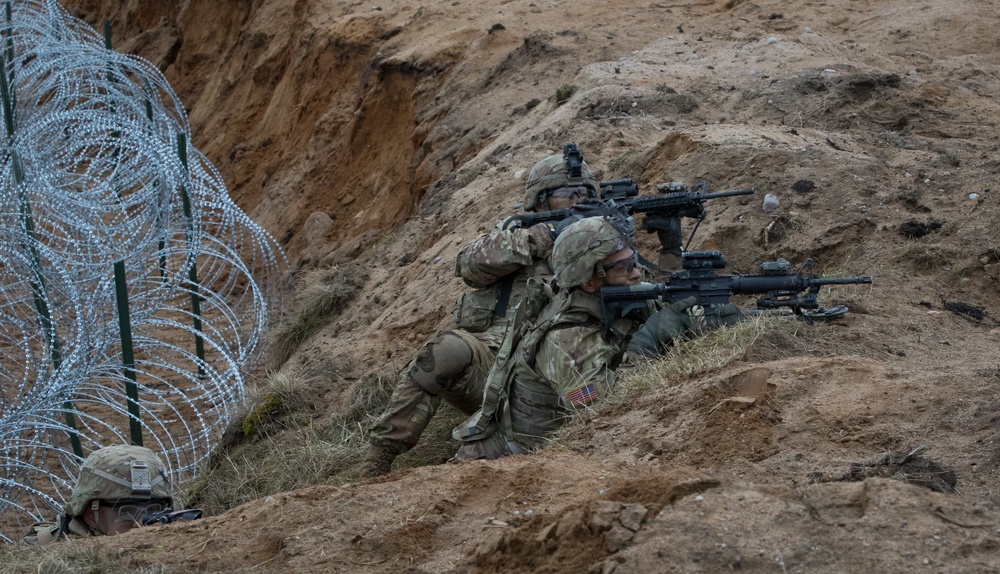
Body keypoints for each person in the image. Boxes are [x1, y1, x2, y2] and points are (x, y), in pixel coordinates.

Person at [360, 147, 603, 477]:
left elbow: (636, 286)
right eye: (565, 193)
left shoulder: (603, 240)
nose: (577, 201)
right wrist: (543, 237)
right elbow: (469, 264)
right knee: (443, 352)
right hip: (492, 370)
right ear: (540, 201)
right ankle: (377, 461)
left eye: (584, 193)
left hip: (556, 375)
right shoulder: (518, 234)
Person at [452, 215, 743, 459]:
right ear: (589, 281)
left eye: (634, 261)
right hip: (513, 458)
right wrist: (647, 343)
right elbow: (604, 410)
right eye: (624, 268)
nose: (636, 273)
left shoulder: (617, 298)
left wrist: (704, 319)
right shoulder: (565, 337)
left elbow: (671, 314)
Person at [22, 445, 174, 543]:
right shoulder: (41, 553)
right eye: (127, 511)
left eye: (153, 510)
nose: (140, 524)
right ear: (90, 516)